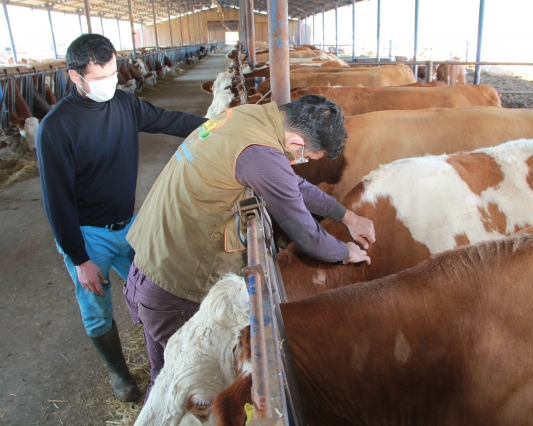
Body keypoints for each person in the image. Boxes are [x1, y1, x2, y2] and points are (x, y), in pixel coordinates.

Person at [124, 94, 376, 397]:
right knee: (190, 395)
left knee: (162, 379)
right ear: (295, 141)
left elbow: (290, 184)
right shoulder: (260, 153)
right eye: (306, 157)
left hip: (149, 265)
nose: (301, 162)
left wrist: (346, 215)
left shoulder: (247, 118)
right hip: (177, 290)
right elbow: (305, 234)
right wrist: (344, 251)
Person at [37, 33, 207, 402]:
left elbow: (167, 119)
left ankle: (168, 355)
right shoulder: (56, 129)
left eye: (112, 73)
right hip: (87, 236)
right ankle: (120, 375)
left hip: (128, 226)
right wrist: (80, 259)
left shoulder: (124, 104)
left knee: (158, 284)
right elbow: (58, 202)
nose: (109, 83)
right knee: (96, 308)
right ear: (75, 77)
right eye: (99, 78)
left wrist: (217, 124)